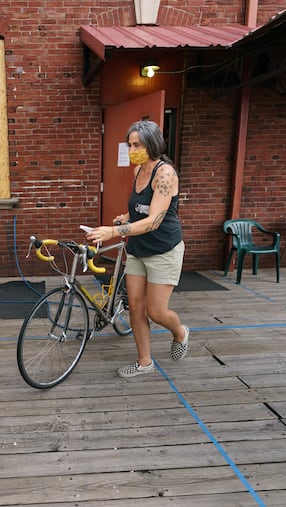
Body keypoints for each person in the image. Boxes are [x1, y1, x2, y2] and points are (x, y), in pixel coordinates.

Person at [86, 120, 189, 377]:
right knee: (135, 305)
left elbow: (154, 220)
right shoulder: (138, 170)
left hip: (164, 250)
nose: (131, 150)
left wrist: (113, 231)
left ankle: (180, 332)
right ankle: (145, 362)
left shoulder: (165, 174)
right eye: (129, 145)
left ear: (152, 144)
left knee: (156, 311)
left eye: (136, 145)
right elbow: (140, 209)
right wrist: (126, 218)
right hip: (138, 249)